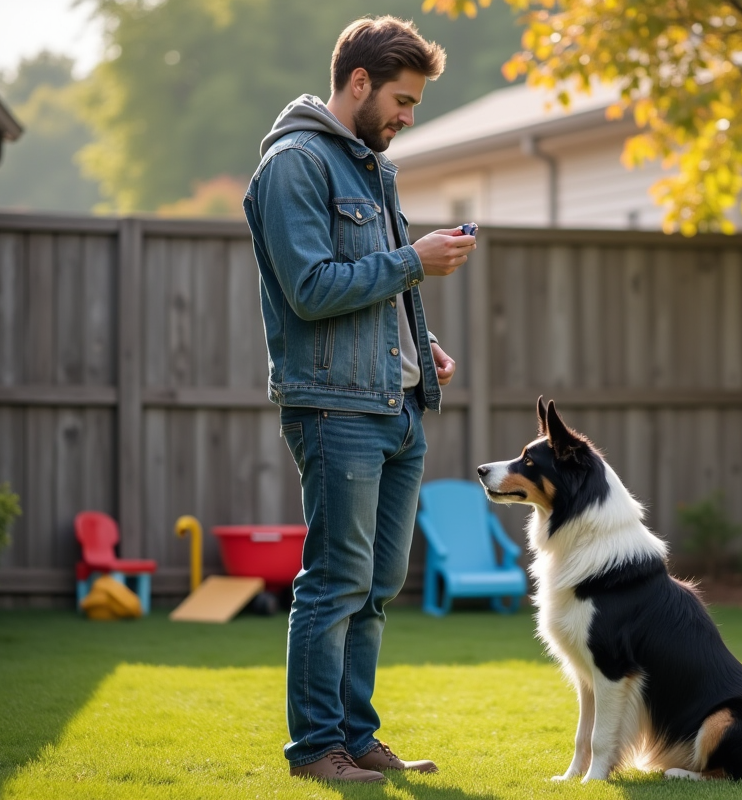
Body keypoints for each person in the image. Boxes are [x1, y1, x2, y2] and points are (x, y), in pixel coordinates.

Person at [242, 16, 475, 785]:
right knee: (335, 581)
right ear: (360, 82)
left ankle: (357, 735)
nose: (409, 118)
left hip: (395, 405)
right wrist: (414, 262)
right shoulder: (295, 165)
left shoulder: (371, 166)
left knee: (376, 587)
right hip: (334, 409)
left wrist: (418, 343)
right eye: (403, 101)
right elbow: (310, 290)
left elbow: (371, 285)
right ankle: (315, 749)